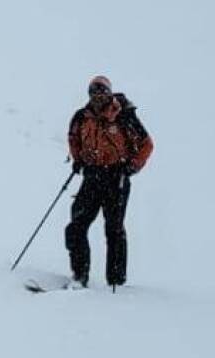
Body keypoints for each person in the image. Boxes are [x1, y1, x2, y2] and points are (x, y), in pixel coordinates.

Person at [65, 75, 153, 289]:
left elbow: (146, 144)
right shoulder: (81, 117)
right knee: (76, 226)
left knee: (114, 229)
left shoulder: (123, 115)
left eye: (102, 92)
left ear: (109, 93)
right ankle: (79, 275)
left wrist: (132, 167)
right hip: (92, 175)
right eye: (93, 92)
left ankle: (116, 282)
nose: (98, 96)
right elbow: (73, 139)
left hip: (117, 176)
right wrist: (78, 160)